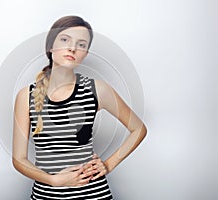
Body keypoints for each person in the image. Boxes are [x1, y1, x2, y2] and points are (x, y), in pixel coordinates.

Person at [12, 15, 147, 199]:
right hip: (46, 195)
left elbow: (138, 129)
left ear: (85, 54)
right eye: (65, 39)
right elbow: (18, 159)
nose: (73, 48)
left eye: (81, 44)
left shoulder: (97, 89)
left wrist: (108, 165)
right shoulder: (25, 96)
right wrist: (54, 181)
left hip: (93, 194)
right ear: (51, 46)